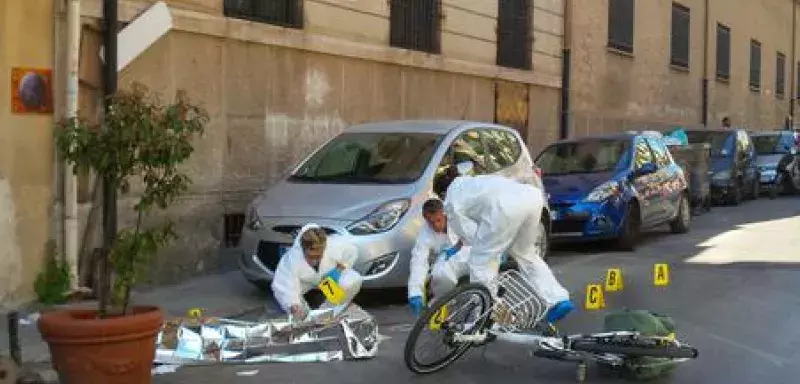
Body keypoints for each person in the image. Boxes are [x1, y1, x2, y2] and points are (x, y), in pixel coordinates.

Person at [432, 165, 575, 330]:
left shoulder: (451, 197)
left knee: (480, 263)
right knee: (527, 254)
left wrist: (488, 248)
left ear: (442, 192)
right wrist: (495, 243)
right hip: (531, 198)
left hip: (504, 208)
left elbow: (465, 231)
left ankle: (488, 317)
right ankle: (558, 299)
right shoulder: (476, 181)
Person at [271, 224, 363, 320]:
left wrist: (338, 270)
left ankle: (327, 313)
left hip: (328, 280)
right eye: (310, 257)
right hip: (304, 282)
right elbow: (284, 286)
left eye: (318, 256)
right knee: (295, 307)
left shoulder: (334, 245)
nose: (314, 261)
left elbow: (352, 252)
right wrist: (294, 305)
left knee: (353, 280)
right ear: (303, 249)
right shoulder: (292, 259)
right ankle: (306, 320)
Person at [407, 198, 471, 316]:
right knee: (439, 275)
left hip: (472, 256)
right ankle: (441, 304)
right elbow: (419, 260)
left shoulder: (459, 218)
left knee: (485, 278)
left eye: (438, 220)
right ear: (425, 219)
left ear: (444, 213)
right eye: (431, 222)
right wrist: (415, 291)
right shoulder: (425, 233)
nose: (436, 225)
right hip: (449, 261)